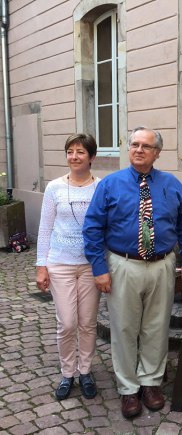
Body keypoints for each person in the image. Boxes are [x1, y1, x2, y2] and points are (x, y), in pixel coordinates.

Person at [83, 126, 182, 419]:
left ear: (157, 152)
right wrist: (99, 269)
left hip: (162, 264)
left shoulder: (172, 184)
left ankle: (151, 382)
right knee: (123, 328)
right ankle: (128, 388)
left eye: (146, 146)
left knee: (157, 327)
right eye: (134, 144)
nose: (139, 150)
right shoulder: (110, 184)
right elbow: (92, 228)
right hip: (123, 264)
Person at [36, 134, 100, 401]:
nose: (74, 156)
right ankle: (67, 372)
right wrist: (41, 266)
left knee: (87, 323)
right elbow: (45, 227)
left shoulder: (101, 187)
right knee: (67, 323)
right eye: (70, 152)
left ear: (91, 157)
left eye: (80, 152)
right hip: (60, 263)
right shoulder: (54, 187)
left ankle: (85, 371)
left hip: (89, 266)